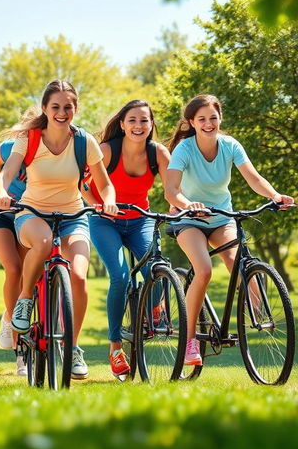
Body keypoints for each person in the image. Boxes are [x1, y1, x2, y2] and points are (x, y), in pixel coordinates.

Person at [0, 80, 118, 380]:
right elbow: (7, 172)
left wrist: (110, 202)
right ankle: (24, 301)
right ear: (45, 109)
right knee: (43, 241)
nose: (62, 113)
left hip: (74, 214)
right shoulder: (30, 138)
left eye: (68, 107)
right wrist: (0, 191)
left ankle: (73, 348)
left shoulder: (84, 142)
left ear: (75, 108)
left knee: (78, 275)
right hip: (32, 212)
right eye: (56, 107)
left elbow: (104, 184)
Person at [164, 94, 294, 366]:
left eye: (213, 118)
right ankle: (189, 342)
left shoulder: (230, 145)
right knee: (204, 270)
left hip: (222, 216)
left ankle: (258, 315)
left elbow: (254, 178)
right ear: (192, 122)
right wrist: (189, 205)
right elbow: (171, 191)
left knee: (238, 261)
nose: (209, 123)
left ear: (220, 118)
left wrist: (274, 195)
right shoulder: (184, 150)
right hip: (190, 219)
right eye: (202, 119)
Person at [88, 100, 171, 379]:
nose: (139, 126)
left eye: (144, 121)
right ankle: (115, 347)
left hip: (139, 220)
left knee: (158, 270)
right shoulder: (107, 150)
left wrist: (178, 205)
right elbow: (82, 186)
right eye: (132, 120)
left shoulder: (158, 153)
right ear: (122, 124)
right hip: (104, 221)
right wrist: (98, 206)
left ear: (151, 125)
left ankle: (149, 312)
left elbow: (173, 190)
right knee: (121, 278)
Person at [0, 140, 27, 376]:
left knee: (28, 279)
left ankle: (11, 314)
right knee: (13, 268)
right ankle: (18, 347)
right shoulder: (11, 147)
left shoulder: (54, 151)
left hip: (30, 213)